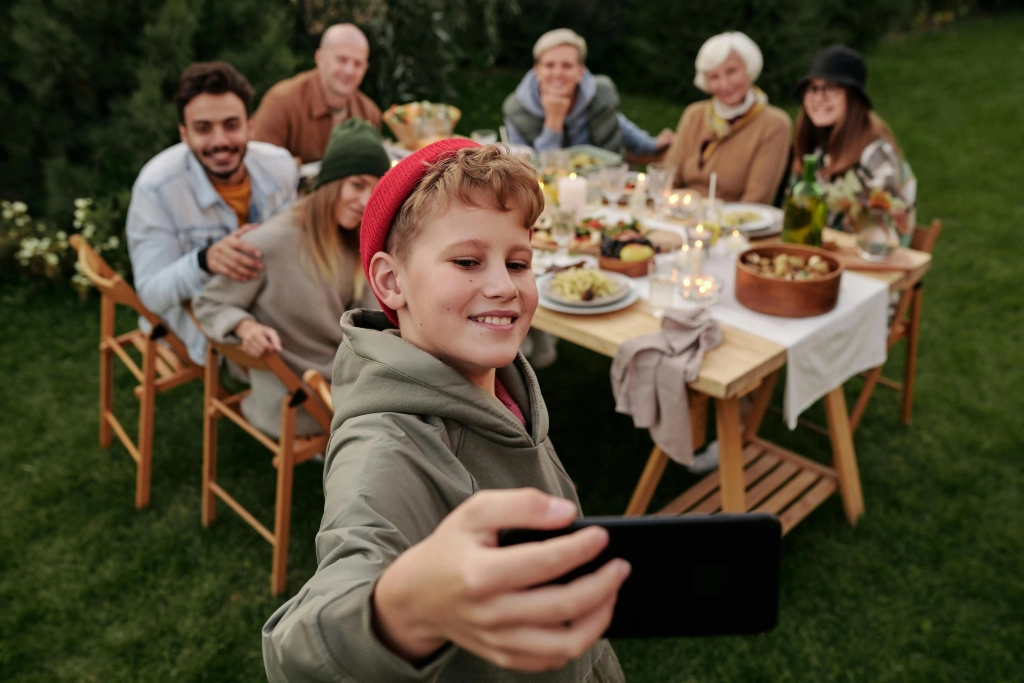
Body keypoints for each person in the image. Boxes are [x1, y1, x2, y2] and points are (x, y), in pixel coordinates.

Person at [261, 141, 630, 682]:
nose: (504, 287)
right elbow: (302, 651)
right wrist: (405, 612)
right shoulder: (388, 446)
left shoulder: (494, 377)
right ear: (390, 282)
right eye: (466, 261)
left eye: (519, 262)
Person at [192, 119, 389, 437]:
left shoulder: (355, 237)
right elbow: (209, 302)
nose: (366, 200)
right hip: (303, 395)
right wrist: (245, 327)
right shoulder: (272, 242)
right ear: (331, 183)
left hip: (349, 372)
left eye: (375, 188)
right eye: (356, 185)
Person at [126, 62, 298, 366]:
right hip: (195, 320)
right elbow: (151, 295)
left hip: (267, 299)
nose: (220, 141)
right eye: (203, 129)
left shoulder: (281, 166)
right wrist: (204, 261)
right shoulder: (155, 188)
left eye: (231, 125)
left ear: (250, 126)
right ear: (184, 134)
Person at [793, 45, 916, 233]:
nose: (818, 98)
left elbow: (885, 232)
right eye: (813, 88)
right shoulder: (818, 150)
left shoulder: (874, 154)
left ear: (853, 98)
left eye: (831, 88)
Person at [662, 31, 792, 204]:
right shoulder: (694, 114)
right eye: (714, 77)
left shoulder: (774, 124)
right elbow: (667, 178)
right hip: (682, 216)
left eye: (731, 71)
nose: (724, 84)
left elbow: (756, 200)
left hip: (733, 225)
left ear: (748, 70)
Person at [503, 28, 673, 156]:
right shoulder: (515, 110)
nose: (558, 73)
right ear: (537, 71)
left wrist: (651, 144)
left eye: (567, 65)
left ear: (580, 72)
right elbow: (527, 170)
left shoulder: (600, 92)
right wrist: (553, 122)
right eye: (549, 65)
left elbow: (616, 123)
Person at [252, 23, 382, 164]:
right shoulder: (280, 102)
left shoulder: (369, 113)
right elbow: (260, 169)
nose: (349, 71)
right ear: (320, 58)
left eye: (358, 64)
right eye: (341, 60)